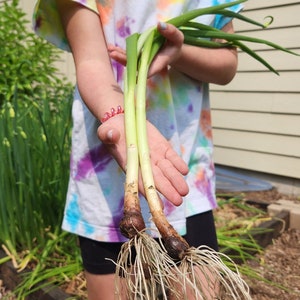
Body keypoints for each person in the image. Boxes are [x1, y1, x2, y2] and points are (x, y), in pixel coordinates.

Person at [33, 0, 242, 299]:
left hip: (185, 175)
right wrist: (117, 117)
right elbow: (91, 60)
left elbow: (227, 65)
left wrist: (179, 52)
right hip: (104, 185)